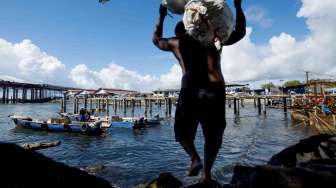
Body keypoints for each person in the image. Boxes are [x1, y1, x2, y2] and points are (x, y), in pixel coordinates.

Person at [153, 0, 246, 182]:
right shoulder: (214, 37)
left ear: (184, 29)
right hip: (215, 89)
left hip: (191, 89)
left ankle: (194, 159)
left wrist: (162, 16)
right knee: (213, 136)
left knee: (182, 133)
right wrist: (238, 6)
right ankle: (207, 175)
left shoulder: (177, 42)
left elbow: (156, 40)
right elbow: (240, 32)